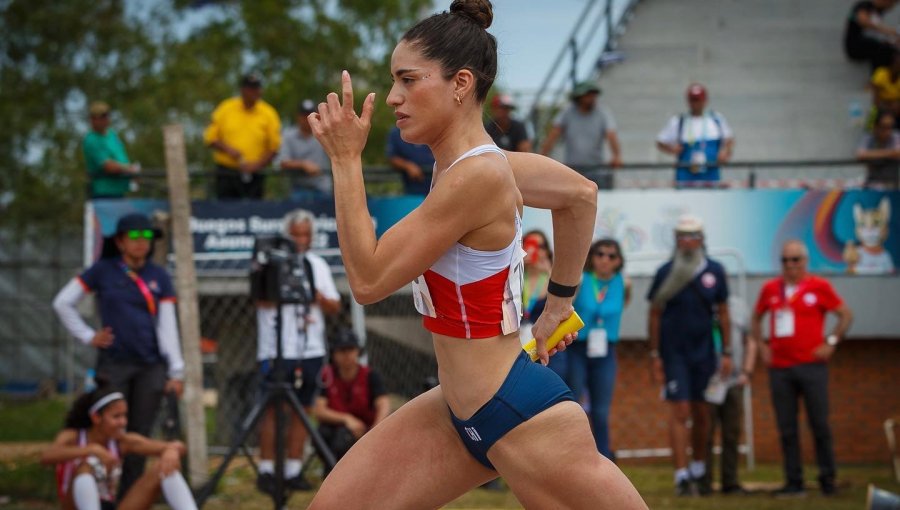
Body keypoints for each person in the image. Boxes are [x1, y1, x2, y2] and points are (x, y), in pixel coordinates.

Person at [307, 1, 646, 508]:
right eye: (393, 81)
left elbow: (369, 279)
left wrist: (345, 160)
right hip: (458, 410)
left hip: (519, 412)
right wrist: (557, 304)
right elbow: (580, 197)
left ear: (461, 83)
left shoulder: (479, 176)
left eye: (408, 79)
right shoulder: (484, 165)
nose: (395, 97)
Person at [52, 213, 185, 498]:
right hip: (114, 364)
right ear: (121, 242)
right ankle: (99, 494)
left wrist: (175, 370)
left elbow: (167, 325)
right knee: (108, 429)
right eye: (134, 237)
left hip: (151, 366)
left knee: (139, 433)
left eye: (147, 237)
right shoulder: (103, 270)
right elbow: (62, 303)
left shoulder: (158, 275)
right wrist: (88, 336)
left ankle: (128, 498)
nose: (141, 243)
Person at [749, 240, 853, 497]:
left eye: (795, 260)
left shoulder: (819, 286)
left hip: (812, 367)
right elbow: (755, 318)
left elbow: (845, 315)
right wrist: (762, 346)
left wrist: (831, 341)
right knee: (787, 429)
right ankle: (793, 482)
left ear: (805, 261)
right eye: (785, 260)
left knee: (819, 425)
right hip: (781, 369)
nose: (790, 265)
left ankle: (827, 480)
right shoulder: (770, 289)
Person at [254, 209, 342, 493]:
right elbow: (261, 302)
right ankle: (267, 470)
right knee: (273, 410)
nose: (302, 240)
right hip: (277, 349)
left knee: (303, 410)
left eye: (306, 234)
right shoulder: (269, 262)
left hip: (311, 348)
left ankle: (293, 470)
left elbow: (334, 305)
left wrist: (314, 296)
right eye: (296, 234)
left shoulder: (317, 265)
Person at [647, 214, 732, 496]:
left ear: (701, 239)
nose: (687, 242)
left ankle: (699, 468)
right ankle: (681, 475)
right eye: (681, 236)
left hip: (705, 352)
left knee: (702, 412)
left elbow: (723, 313)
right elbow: (655, 313)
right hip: (674, 354)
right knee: (680, 410)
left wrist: (728, 351)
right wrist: (655, 354)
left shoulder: (715, 271)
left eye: (692, 236)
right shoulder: (665, 272)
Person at [41, 383, 197, 510]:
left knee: (165, 467)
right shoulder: (73, 436)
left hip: (110, 506)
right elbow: (46, 457)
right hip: (74, 505)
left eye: (125, 416)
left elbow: (178, 446)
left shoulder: (122, 441)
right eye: (116, 417)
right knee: (87, 465)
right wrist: (92, 450)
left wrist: (171, 451)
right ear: (96, 417)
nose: (123, 422)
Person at [568, 238, 631, 460]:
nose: (605, 260)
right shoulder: (582, 280)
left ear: (618, 261)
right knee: (574, 405)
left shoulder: (624, 283)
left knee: (601, 411)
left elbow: (622, 306)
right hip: (578, 349)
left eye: (611, 256)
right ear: (591, 257)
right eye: (600, 254)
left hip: (605, 351)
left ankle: (604, 458)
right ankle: (573, 456)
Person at [702, 295, 756, 495]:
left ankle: (730, 481)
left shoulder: (738, 305)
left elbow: (750, 341)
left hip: (733, 381)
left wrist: (747, 371)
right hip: (707, 382)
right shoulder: (701, 302)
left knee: (732, 433)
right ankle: (703, 481)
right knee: (705, 432)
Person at [313, 329, 390, 467]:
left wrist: (375, 430)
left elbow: (383, 403)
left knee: (343, 437)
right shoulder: (328, 376)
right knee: (321, 434)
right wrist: (346, 418)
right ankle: (331, 471)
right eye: (342, 351)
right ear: (334, 354)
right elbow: (319, 411)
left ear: (358, 352)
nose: (347, 355)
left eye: (350, 350)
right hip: (338, 426)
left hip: (364, 428)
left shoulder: (370, 375)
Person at [203, 72, 281, 200]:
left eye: (258, 88)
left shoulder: (269, 113)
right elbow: (210, 138)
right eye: (251, 88)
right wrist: (228, 149)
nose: (256, 92)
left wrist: (256, 165)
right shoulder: (226, 108)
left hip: (256, 173)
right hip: (226, 172)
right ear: (243, 90)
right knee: (226, 211)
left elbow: (274, 147)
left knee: (255, 210)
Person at [540, 80, 622, 189]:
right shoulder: (567, 112)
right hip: (572, 171)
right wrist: (542, 157)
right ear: (579, 97)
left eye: (594, 95)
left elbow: (611, 135)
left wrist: (616, 156)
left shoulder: (603, 113)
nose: (592, 98)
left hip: (596, 170)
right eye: (589, 95)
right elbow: (553, 135)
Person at [656, 83, 734, 188]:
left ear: (705, 101)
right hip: (686, 174)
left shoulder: (716, 119)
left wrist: (725, 151)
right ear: (688, 101)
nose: (696, 104)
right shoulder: (679, 121)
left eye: (698, 100)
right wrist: (671, 149)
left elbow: (729, 139)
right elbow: (660, 141)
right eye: (693, 100)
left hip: (710, 173)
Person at [83, 101, 140, 199]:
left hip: (119, 191)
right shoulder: (91, 140)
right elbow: (108, 166)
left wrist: (132, 172)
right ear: (92, 119)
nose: (106, 119)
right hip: (103, 194)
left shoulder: (112, 134)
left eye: (107, 115)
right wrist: (129, 169)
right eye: (102, 116)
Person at [280, 99, 333, 201]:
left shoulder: (325, 133)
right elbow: (283, 162)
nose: (307, 118)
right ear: (298, 117)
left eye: (310, 115)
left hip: (323, 188)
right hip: (298, 189)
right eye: (304, 115)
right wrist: (303, 164)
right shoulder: (288, 135)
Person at [844, 0, 900, 71]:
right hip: (856, 45)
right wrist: (888, 31)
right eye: (891, 3)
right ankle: (877, 77)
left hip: (869, 43)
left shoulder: (879, 11)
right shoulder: (865, 5)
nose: (891, 7)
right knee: (883, 50)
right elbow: (863, 20)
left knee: (892, 51)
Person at [856, 110, 900, 189]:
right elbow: (860, 154)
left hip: (892, 184)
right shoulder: (868, 138)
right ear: (875, 127)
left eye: (890, 127)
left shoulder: (895, 136)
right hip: (872, 183)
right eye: (884, 127)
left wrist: (872, 155)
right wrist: (890, 154)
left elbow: (897, 153)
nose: (887, 131)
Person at [386, 126, 436, 195]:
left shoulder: (432, 127)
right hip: (415, 186)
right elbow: (392, 157)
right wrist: (408, 166)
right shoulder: (396, 132)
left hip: (438, 182)